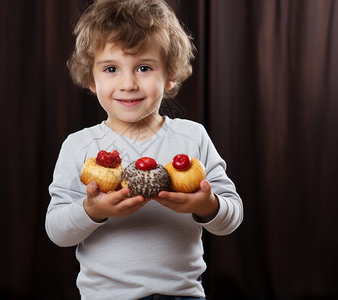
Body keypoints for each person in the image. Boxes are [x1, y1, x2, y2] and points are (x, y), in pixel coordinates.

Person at [45, 0, 243, 299]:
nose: (128, 83)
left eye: (144, 68)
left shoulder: (192, 137)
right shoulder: (80, 146)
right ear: (91, 79)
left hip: (183, 294)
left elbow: (231, 218)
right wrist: (92, 211)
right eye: (111, 68)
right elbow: (58, 232)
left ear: (170, 75)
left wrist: (205, 205)